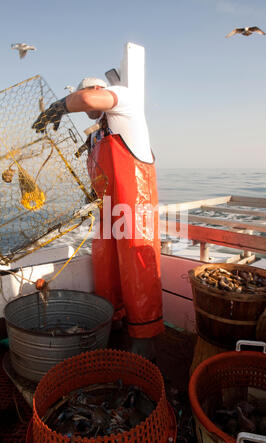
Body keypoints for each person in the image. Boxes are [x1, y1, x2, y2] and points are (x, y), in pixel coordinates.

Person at [32, 77, 164, 361]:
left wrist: (58, 106)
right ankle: (114, 322)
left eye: (88, 91)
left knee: (137, 270)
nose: (86, 98)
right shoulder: (94, 136)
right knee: (105, 268)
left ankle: (146, 338)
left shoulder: (124, 102)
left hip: (134, 208)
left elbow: (89, 100)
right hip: (106, 213)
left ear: (99, 90)